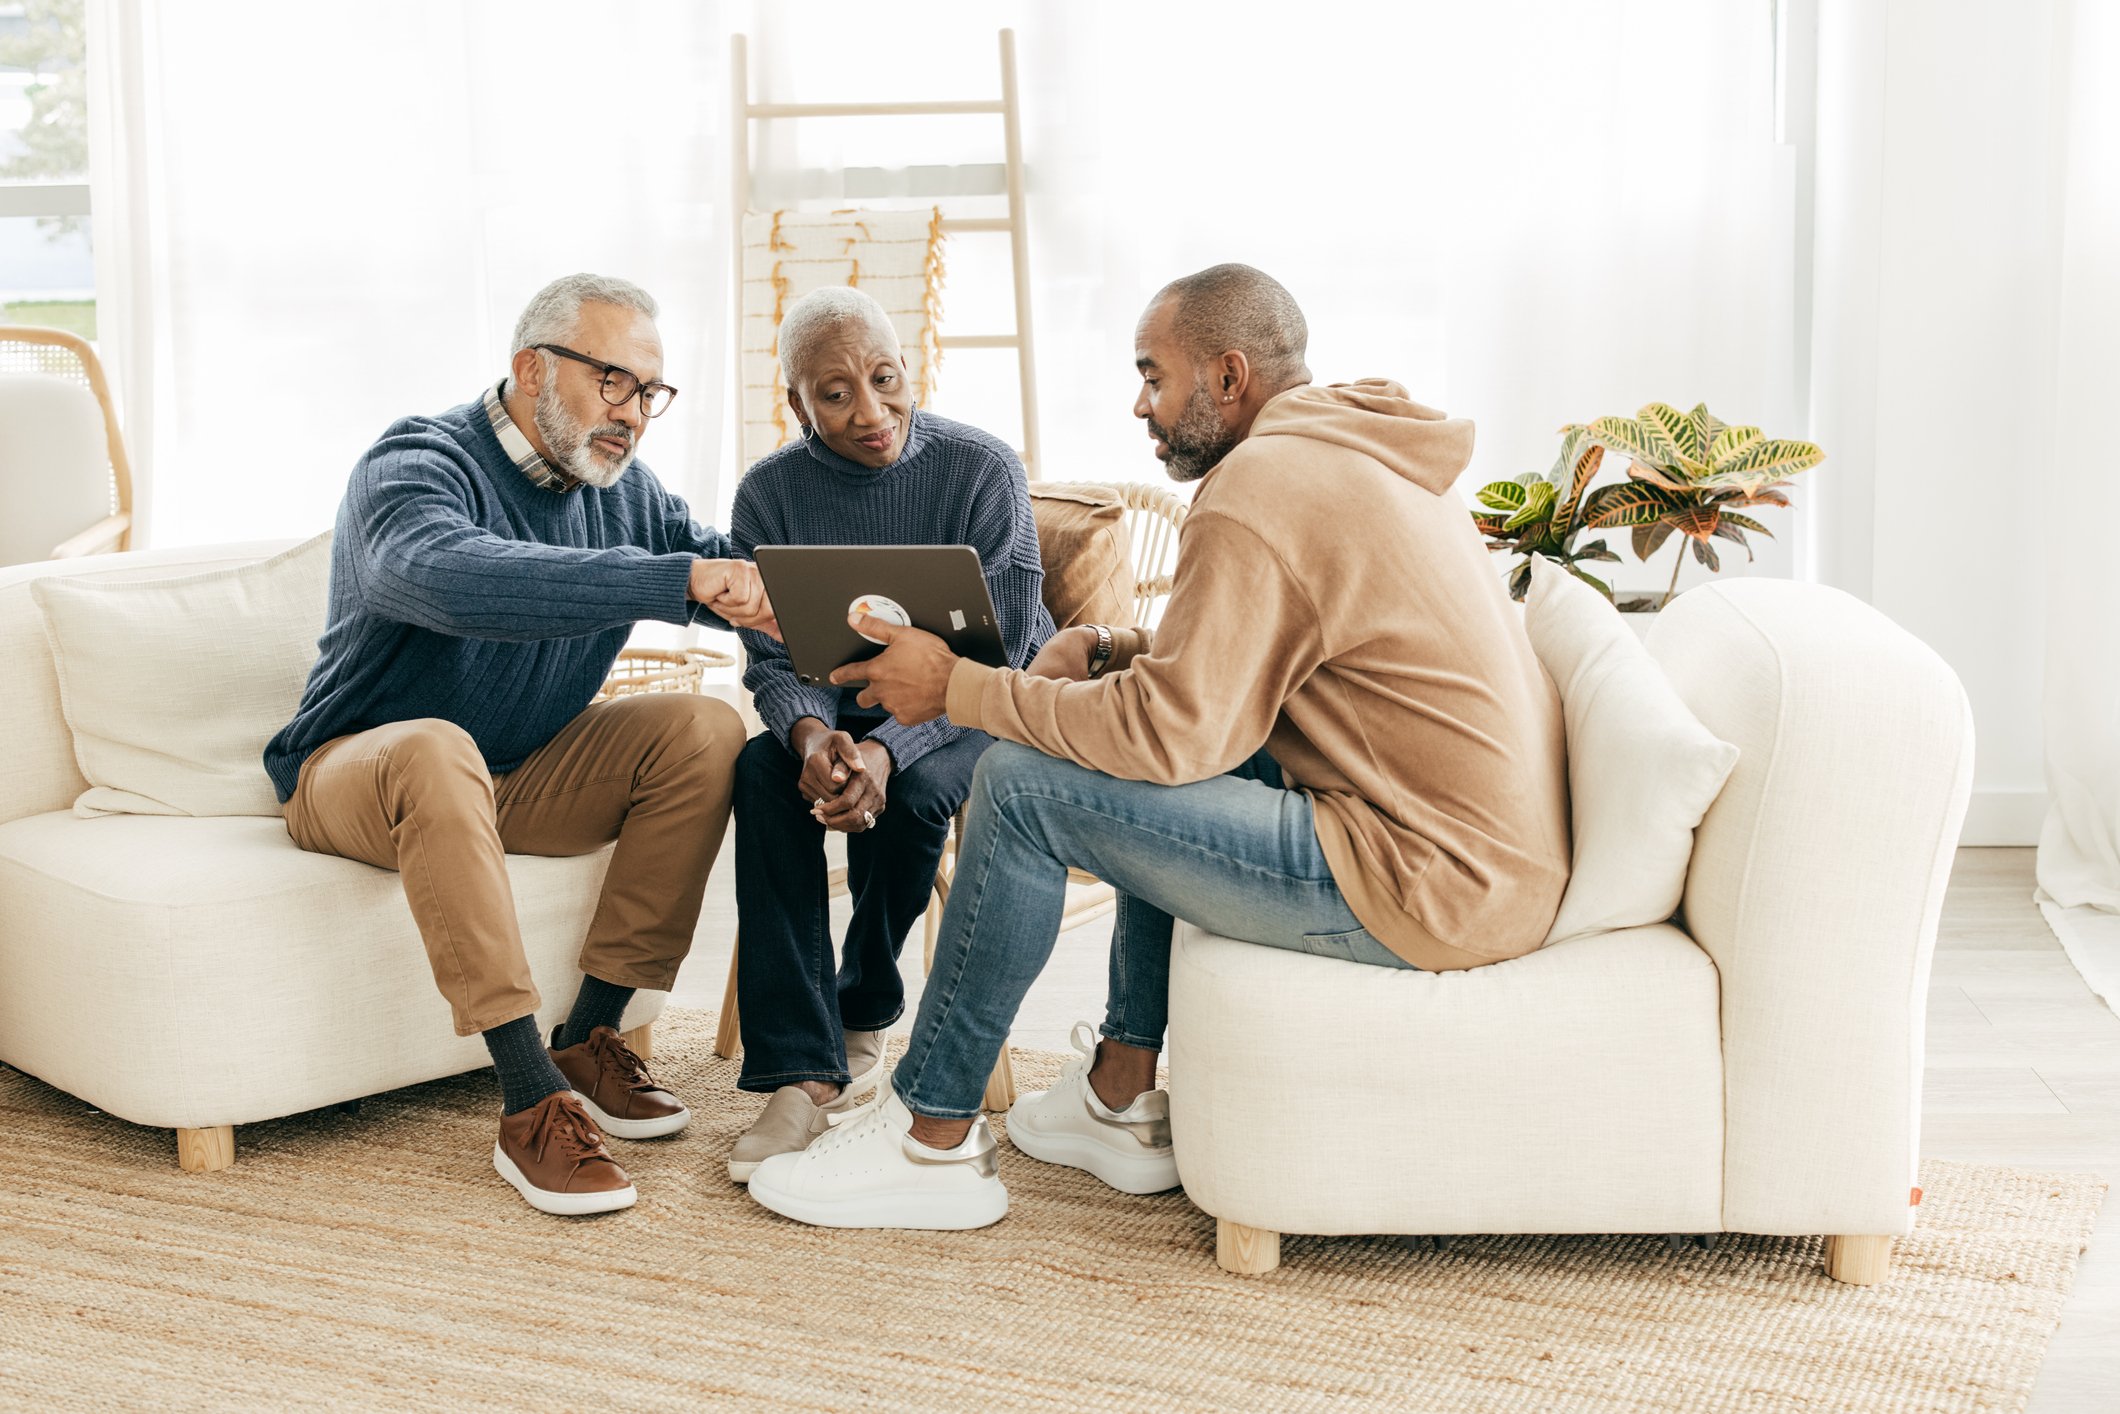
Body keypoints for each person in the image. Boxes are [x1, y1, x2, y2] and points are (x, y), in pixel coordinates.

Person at [741, 264, 1570, 1231]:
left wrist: (963, 688)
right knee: (1116, 745)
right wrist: (1102, 646)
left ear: (1226, 376)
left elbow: (1170, 732)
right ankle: (1121, 1093)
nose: (1141, 405)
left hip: (1424, 881)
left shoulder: (1260, 485)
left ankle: (928, 1136)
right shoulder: (1352, 454)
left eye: (1154, 376)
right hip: (1473, 856)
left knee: (1019, 784)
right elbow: (1240, 672)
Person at [265, 273, 776, 1217]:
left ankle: (590, 1035)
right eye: (612, 382)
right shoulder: (416, 460)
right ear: (531, 368)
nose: (633, 415)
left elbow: (727, 577)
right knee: (435, 747)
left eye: (650, 394)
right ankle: (530, 1095)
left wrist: (842, 600)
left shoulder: (629, 495)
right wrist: (674, 581)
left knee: (705, 728)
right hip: (357, 773)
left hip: (517, 772)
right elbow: (450, 578)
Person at [724, 287, 1053, 1182]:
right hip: (841, 712)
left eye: (884, 377)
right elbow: (770, 651)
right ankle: (802, 1070)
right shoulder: (769, 494)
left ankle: (865, 1007)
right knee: (759, 771)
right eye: (836, 394)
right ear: (797, 405)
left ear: (911, 369)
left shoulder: (980, 468)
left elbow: (1017, 646)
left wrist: (883, 752)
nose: (871, 412)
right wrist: (810, 739)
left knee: (909, 795)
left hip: (981, 707)